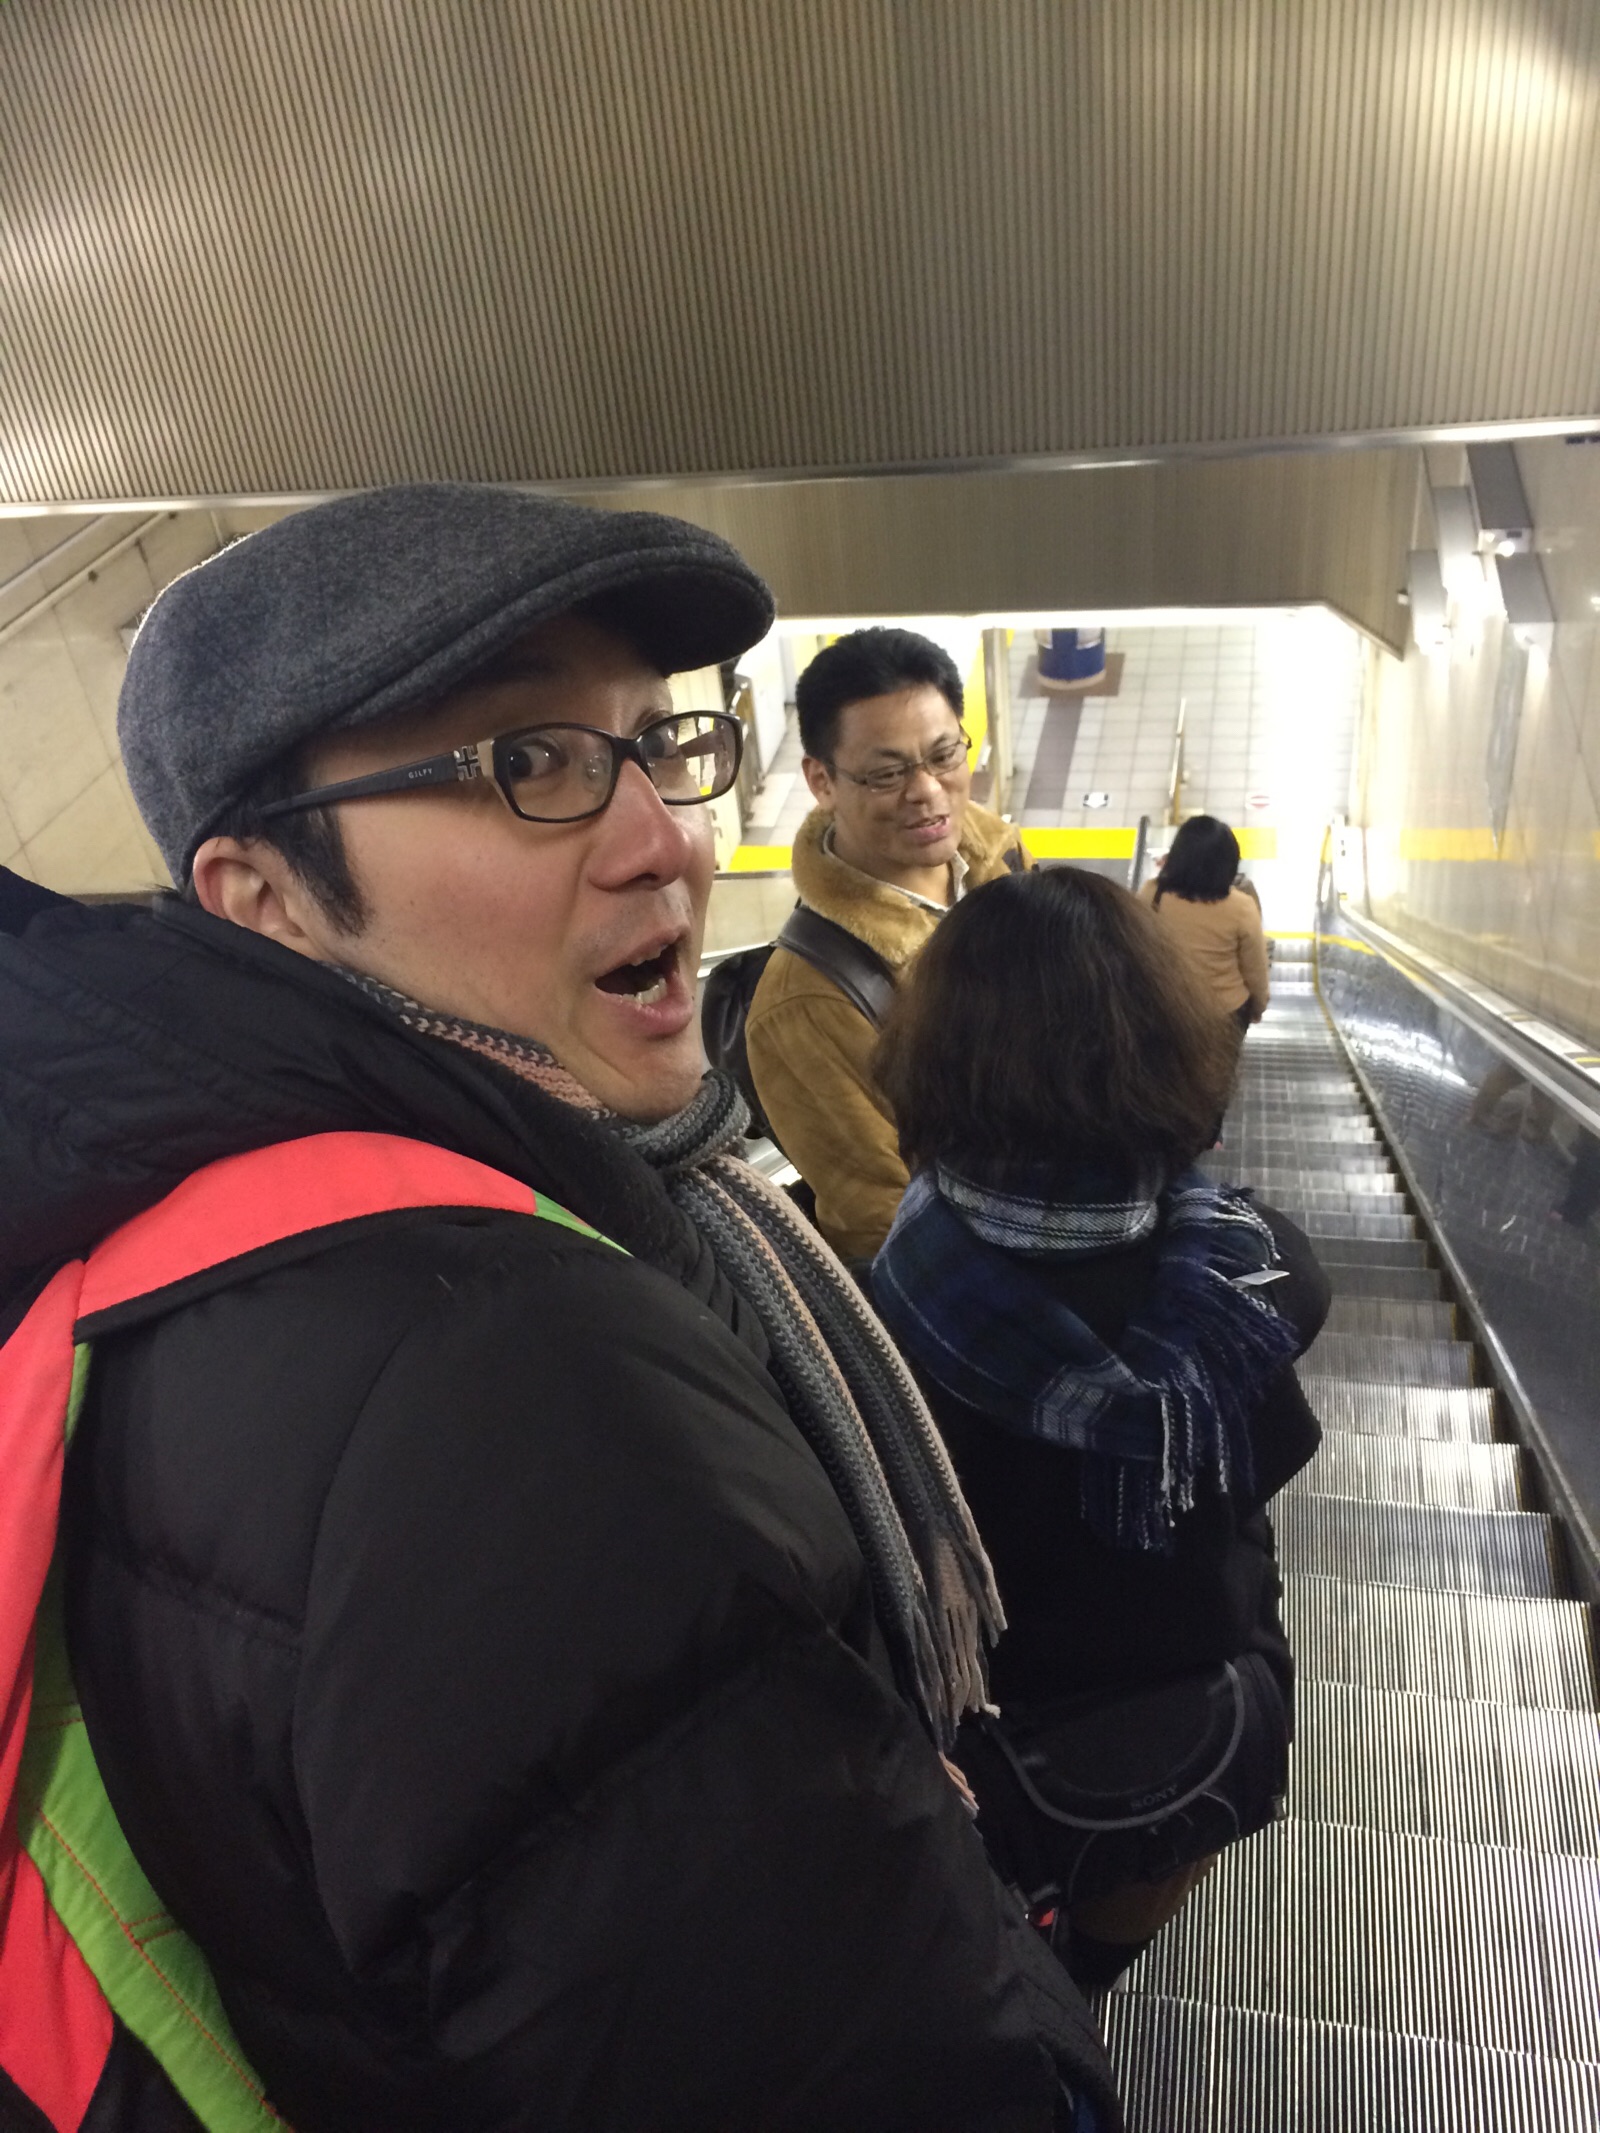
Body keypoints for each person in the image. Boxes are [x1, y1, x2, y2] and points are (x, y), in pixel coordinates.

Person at [0, 488, 1121, 2131]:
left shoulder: (171, 1232)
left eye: (658, 743)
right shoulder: (515, 1388)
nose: (669, 837)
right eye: (526, 759)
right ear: (263, 897)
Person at [871, 866, 1328, 1997]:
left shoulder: (896, 1301)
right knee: (1134, 1886)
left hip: (991, 1728)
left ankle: (1043, 1989)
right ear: (1162, 1044)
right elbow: (1266, 1462)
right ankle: (1094, 1976)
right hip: (1194, 1713)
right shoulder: (1260, 1277)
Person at [745, 627, 1028, 1263]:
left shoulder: (1001, 857)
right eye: (886, 773)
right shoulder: (806, 1002)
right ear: (822, 780)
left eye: (944, 755)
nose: (926, 790)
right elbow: (885, 1226)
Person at [1139, 815, 1270, 1035]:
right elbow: (1255, 967)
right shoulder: (1242, 907)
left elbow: (1135, 949)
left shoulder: (1152, 893)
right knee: (1219, 1060)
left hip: (1165, 1009)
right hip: (1225, 1013)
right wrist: (1258, 1005)